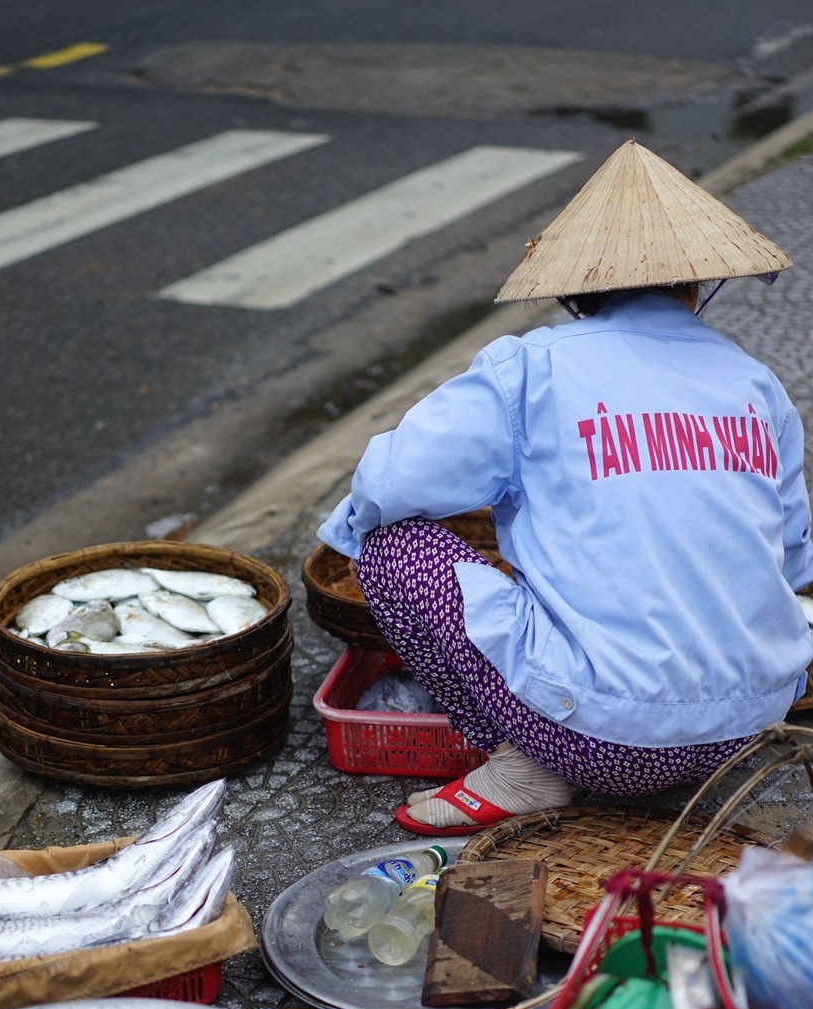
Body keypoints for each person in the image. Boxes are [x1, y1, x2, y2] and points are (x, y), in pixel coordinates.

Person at [316, 139, 813, 834]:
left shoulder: (534, 367)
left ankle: (528, 767)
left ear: (578, 292)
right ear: (698, 285)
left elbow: (389, 483)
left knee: (391, 548)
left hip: (599, 741)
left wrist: (352, 530)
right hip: (749, 731)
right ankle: (570, 752)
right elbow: (791, 563)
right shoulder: (756, 384)